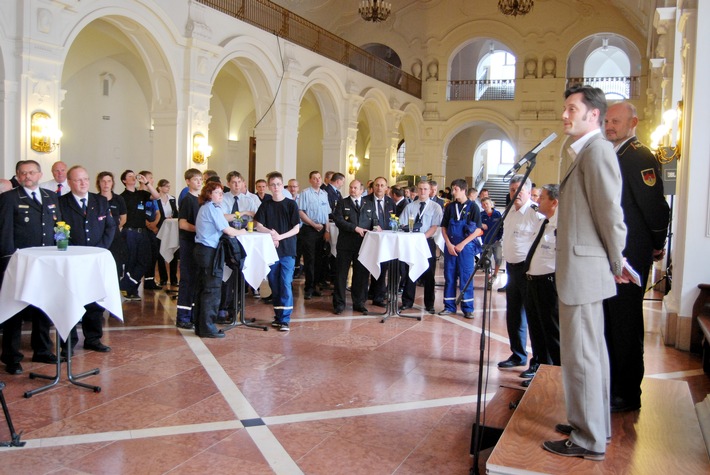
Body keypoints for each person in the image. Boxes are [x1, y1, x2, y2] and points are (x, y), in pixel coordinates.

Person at [543, 84, 628, 462]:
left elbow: (610, 214)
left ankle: (589, 438)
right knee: (588, 352)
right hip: (581, 266)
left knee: (582, 355)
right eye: (565, 109)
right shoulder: (581, 151)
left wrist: (617, 261)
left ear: (593, 114)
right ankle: (590, 423)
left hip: (584, 269)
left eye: (572, 109)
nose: (565, 115)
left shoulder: (597, 151)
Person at [603, 101, 670, 413]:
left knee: (625, 325)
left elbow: (655, 208)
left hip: (630, 254)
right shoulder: (615, 155)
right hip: (613, 253)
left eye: (616, 120)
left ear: (633, 122)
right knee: (611, 323)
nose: (609, 125)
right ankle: (611, 385)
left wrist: (656, 243)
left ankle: (627, 392)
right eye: (607, 120)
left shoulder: (639, 156)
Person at [0, 160, 63, 374]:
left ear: (39, 174)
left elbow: (59, 227)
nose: (28, 176)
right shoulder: (9, 198)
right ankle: (11, 356)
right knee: (15, 310)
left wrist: (61, 252)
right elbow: (5, 231)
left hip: (45, 262)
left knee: (42, 307)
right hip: (19, 262)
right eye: (23, 173)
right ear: (17, 176)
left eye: (32, 172)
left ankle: (43, 350)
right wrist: (7, 261)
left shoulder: (51, 197)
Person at [58, 166, 116, 353]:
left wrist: (99, 250)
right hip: (72, 260)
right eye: (78, 180)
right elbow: (59, 230)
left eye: (86, 179)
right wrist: (74, 252)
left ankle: (93, 338)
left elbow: (110, 227)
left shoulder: (100, 201)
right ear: (69, 182)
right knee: (70, 300)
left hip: (95, 259)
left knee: (95, 300)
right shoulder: (61, 202)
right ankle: (68, 343)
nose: (83, 183)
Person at [496, 175, 543, 373]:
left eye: (520, 190)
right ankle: (518, 355)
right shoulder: (509, 213)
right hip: (512, 269)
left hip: (529, 269)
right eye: (513, 189)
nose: (516, 193)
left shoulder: (536, 214)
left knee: (533, 317)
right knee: (514, 314)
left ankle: (537, 361)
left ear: (528, 191)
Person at [193, 181, 247, 338]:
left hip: (202, 251)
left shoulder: (205, 207)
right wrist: (242, 231)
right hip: (209, 252)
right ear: (209, 194)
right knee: (212, 290)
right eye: (217, 193)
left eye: (222, 193)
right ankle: (208, 327)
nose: (221, 196)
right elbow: (228, 230)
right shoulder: (213, 208)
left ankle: (201, 325)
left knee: (204, 290)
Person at [521, 184, 561, 387]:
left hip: (548, 283)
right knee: (536, 331)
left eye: (542, 198)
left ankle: (555, 378)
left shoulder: (562, 225)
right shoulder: (544, 222)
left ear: (554, 202)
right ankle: (540, 373)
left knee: (551, 333)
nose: (538, 200)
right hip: (533, 281)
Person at [254, 172, 301, 331]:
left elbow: (296, 228)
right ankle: (278, 316)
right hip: (271, 250)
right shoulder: (266, 204)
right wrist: (270, 233)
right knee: (274, 283)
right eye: (272, 185)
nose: (275, 187)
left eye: (278, 184)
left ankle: (285, 320)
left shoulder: (290, 204)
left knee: (285, 282)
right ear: (268, 186)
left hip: (287, 249)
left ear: (282, 186)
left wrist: (279, 236)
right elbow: (258, 224)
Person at [332, 180, 379, 315]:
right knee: (341, 275)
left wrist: (376, 227)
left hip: (363, 245)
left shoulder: (369, 203)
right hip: (345, 245)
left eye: (355, 188)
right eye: (351, 187)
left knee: (361, 276)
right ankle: (339, 304)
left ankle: (359, 303)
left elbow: (374, 220)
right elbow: (339, 221)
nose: (352, 190)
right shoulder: (343, 202)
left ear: (361, 190)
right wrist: (354, 228)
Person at [439, 179, 482, 319]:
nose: (452, 192)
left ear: (463, 190)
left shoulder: (473, 207)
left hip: (466, 247)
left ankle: (468, 308)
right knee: (449, 276)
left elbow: (478, 230)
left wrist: (462, 244)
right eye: (452, 189)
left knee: (466, 277)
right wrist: (448, 244)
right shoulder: (450, 207)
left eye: (455, 189)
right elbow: (443, 227)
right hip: (451, 246)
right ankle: (449, 306)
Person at [399, 180, 442, 313]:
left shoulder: (435, 207)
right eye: (420, 189)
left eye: (425, 189)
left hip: (426, 242)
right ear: (417, 190)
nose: (422, 192)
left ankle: (429, 304)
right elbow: (402, 223)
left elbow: (435, 226)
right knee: (410, 270)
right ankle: (407, 301)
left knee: (429, 273)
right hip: (411, 242)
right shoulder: (410, 207)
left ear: (430, 191)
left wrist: (422, 238)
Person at [176, 168, 203, 329]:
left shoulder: (201, 200)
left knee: (196, 280)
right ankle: (183, 316)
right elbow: (183, 223)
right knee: (187, 279)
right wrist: (200, 229)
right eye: (195, 179)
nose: (199, 182)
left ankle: (193, 313)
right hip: (188, 244)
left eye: (200, 179)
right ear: (188, 182)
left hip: (199, 244)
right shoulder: (187, 199)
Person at [296, 170, 330, 300]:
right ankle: (308, 288)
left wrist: (327, 230)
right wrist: (313, 224)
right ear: (310, 180)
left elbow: (326, 213)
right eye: (314, 178)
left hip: (321, 230)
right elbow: (301, 212)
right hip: (309, 229)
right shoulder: (305, 193)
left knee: (319, 260)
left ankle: (316, 285)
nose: (317, 180)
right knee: (309, 260)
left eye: (319, 178)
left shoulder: (324, 194)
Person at [364, 176, 396, 307]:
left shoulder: (390, 202)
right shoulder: (365, 201)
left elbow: (393, 220)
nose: (379, 188)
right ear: (373, 187)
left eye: (382, 185)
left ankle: (378, 296)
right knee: (366, 267)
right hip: (369, 239)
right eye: (377, 185)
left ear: (387, 188)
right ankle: (363, 295)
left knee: (382, 268)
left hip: (385, 240)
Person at [97, 171, 127, 278]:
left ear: (112, 183)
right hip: (99, 237)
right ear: (99, 183)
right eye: (103, 181)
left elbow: (123, 219)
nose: (106, 184)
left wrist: (112, 230)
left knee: (116, 262)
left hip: (115, 237)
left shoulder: (119, 199)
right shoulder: (95, 200)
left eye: (109, 181)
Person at [139, 170, 162, 291]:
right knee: (144, 255)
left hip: (153, 228)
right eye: (150, 178)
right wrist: (147, 224)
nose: (152, 180)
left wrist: (154, 224)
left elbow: (157, 212)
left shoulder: (152, 195)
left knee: (154, 254)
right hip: (143, 228)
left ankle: (150, 280)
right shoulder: (138, 193)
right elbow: (137, 212)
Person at [156, 178, 179, 287]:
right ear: (160, 187)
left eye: (169, 186)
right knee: (160, 253)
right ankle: (163, 278)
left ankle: (174, 278)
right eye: (166, 186)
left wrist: (172, 217)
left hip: (171, 227)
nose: (168, 188)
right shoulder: (156, 199)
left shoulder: (172, 199)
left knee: (173, 251)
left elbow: (176, 213)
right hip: (160, 227)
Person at [480, 197, 503, 289]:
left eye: (487, 203)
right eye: (483, 204)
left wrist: (499, 237)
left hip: (496, 241)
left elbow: (501, 227)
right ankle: (488, 276)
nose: (485, 206)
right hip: (485, 241)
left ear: (491, 204)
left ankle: (495, 274)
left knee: (498, 258)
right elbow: (475, 225)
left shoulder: (497, 214)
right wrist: (480, 225)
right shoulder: (481, 215)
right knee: (486, 260)